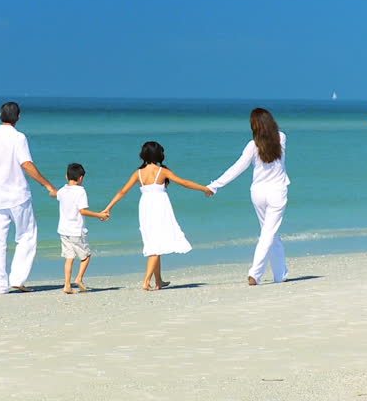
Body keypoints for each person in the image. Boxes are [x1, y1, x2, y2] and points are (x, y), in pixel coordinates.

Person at [104, 142, 212, 291]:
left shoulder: (139, 173)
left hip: (145, 207)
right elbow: (184, 182)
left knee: (154, 242)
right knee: (155, 245)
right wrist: (204, 188)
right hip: (160, 207)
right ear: (159, 154)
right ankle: (146, 282)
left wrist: (108, 208)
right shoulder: (162, 171)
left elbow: (123, 191)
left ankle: (159, 281)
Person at [0, 101, 57, 294]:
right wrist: (48, 185)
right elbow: (27, 164)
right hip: (17, 196)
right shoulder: (18, 137)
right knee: (27, 236)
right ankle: (17, 279)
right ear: (18, 117)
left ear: (0, 116)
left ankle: (0, 285)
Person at [207, 108, 290, 286]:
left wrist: (215, 186)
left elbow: (237, 168)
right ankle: (255, 273)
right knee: (268, 233)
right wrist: (214, 186)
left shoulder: (252, 146)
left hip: (258, 193)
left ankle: (280, 274)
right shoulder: (281, 138)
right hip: (277, 192)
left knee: (271, 234)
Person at [56, 163, 109, 294]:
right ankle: (79, 279)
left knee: (69, 258)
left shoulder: (61, 191)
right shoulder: (80, 191)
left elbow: (57, 196)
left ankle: (67, 285)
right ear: (81, 178)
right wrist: (99, 215)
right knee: (86, 255)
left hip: (63, 230)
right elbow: (82, 211)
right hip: (76, 230)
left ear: (66, 176)